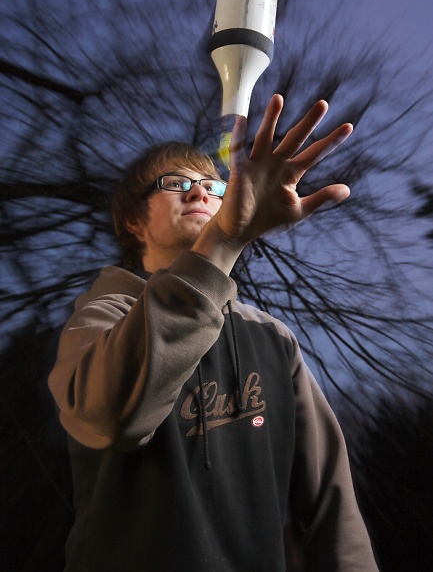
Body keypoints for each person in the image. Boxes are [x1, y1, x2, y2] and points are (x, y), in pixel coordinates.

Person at [48, 94, 379, 571]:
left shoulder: (274, 339)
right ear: (132, 221)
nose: (201, 193)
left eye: (213, 185)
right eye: (177, 182)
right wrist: (224, 239)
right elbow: (112, 417)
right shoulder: (100, 319)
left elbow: (332, 503)